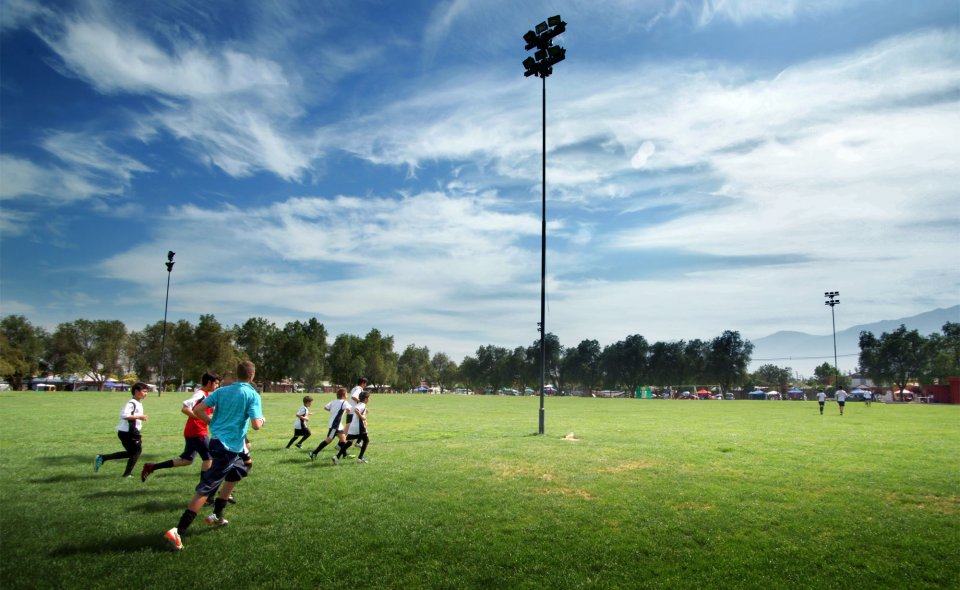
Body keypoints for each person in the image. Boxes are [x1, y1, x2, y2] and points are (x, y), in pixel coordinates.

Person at [163, 361, 264, 551]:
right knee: (208, 486)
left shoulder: (222, 390)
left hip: (218, 441)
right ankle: (178, 531)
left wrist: (212, 423)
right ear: (252, 376)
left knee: (239, 471)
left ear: (237, 374)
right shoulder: (252, 394)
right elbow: (257, 425)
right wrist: (263, 420)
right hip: (229, 446)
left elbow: (198, 410)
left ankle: (217, 515)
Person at [141, 372, 220, 482]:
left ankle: (151, 467)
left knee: (187, 460)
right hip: (197, 431)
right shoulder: (200, 394)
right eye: (216, 384)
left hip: (191, 431)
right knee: (209, 458)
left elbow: (210, 410)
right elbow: (185, 408)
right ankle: (204, 490)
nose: (217, 386)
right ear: (209, 382)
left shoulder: (206, 395)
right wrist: (200, 418)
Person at [95, 382, 149, 478]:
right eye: (144, 391)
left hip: (129, 432)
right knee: (136, 452)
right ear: (136, 391)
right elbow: (123, 415)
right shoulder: (131, 403)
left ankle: (103, 458)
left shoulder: (137, 403)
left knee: (131, 453)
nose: (146, 393)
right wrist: (139, 417)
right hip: (129, 432)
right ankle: (127, 474)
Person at [308, 387, 351, 464]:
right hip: (335, 425)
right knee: (329, 440)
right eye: (347, 394)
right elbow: (349, 409)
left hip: (337, 424)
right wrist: (347, 410)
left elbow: (325, 407)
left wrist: (333, 411)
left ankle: (345, 454)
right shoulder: (344, 402)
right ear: (344, 395)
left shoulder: (333, 401)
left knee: (343, 439)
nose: (347, 396)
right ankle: (314, 453)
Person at [339, 390, 370, 463]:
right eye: (368, 398)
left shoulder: (359, 404)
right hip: (359, 428)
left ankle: (337, 456)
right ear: (365, 399)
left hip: (353, 427)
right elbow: (356, 410)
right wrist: (363, 416)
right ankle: (360, 458)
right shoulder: (362, 405)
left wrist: (364, 416)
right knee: (366, 440)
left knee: (349, 442)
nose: (369, 400)